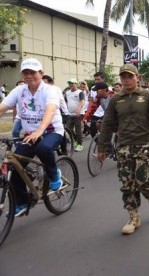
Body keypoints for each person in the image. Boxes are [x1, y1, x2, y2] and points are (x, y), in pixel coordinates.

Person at [97, 64, 149, 235]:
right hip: (124, 145)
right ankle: (133, 217)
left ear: (137, 78)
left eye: (129, 77)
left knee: (143, 180)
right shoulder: (116, 99)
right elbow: (108, 124)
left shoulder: (147, 96)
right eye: (123, 77)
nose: (126, 80)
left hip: (144, 144)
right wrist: (101, 147)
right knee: (127, 184)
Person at [0, 58, 64, 216]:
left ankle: (55, 175)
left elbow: (50, 110)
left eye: (33, 72)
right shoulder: (20, 90)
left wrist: (40, 130)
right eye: (26, 73)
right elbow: (3, 106)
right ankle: (22, 202)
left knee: (43, 148)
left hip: (51, 131)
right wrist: (34, 133)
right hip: (30, 135)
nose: (29, 76)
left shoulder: (51, 90)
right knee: (13, 165)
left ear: (41, 73)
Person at [64, 78, 85, 152]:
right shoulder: (67, 93)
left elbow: (83, 101)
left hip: (78, 114)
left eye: (72, 83)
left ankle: (79, 145)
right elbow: (66, 102)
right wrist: (65, 110)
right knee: (68, 129)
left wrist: (79, 108)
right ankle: (76, 139)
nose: (71, 85)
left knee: (78, 130)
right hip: (70, 114)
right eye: (69, 83)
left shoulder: (80, 92)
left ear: (76, 84)